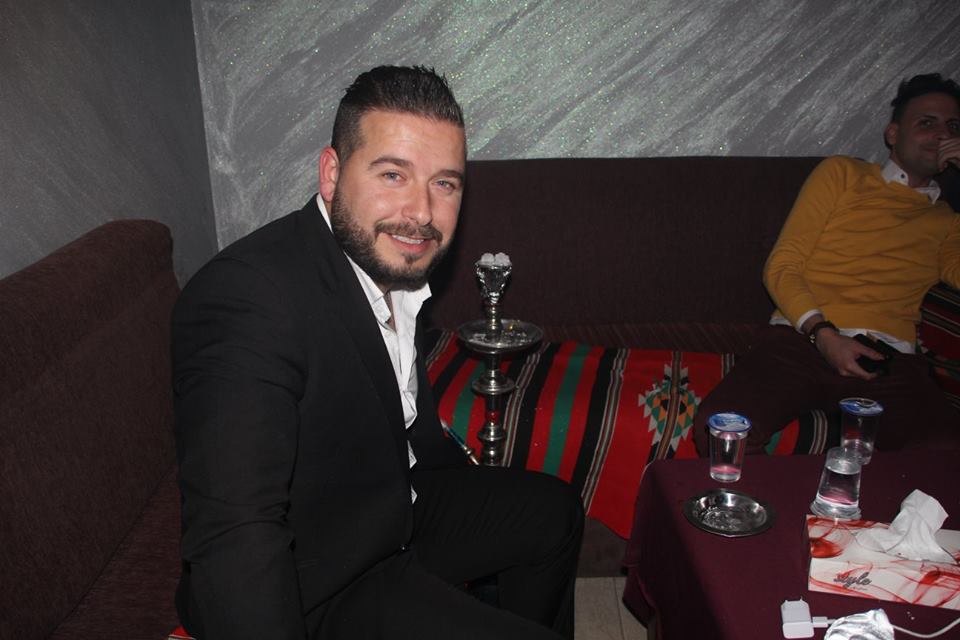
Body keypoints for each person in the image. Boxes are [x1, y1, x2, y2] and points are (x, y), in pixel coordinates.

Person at [172, 65, 583, 640]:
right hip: (319, 580)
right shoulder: (247, 298)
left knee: (553, 514)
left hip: (389, 509)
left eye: (445, 184)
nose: (421, 212)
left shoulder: (385, 266)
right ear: (332, 174)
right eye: (393, 174)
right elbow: (235, 532)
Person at [692, 73, 960, 456]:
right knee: (721, 429)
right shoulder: (843, 174)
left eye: (953, 127)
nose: (942, 135)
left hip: (889, 361)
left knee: (945, 458)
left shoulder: (948, 221)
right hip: (803, 341)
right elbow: (782, 265)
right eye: (927, 123)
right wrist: (824, 335)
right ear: (893, 134)